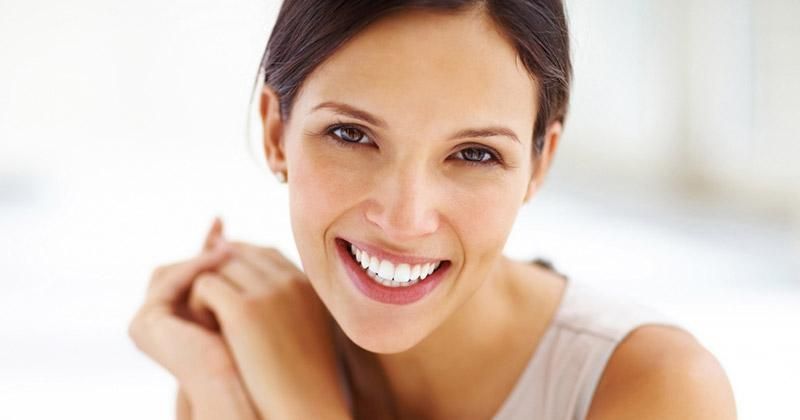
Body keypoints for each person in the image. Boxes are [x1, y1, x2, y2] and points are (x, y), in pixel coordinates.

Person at [128, 1, 737, 419]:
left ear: (540, 163)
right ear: (273, 132)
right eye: (351, 135)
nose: (405, 218)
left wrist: (304, 406)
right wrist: (211, 378)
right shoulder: (243, 336)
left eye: (473, 153)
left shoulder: (658, 388)